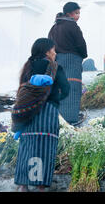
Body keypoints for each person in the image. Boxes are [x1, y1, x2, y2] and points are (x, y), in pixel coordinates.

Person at [13, 38, 69, 192]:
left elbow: (22, 91)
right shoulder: (55, 68)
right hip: (48, 113)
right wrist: (54, 99)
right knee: (45, 148)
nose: (55, 52)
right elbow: (66, 89)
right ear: (46, 51)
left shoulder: (28, 67)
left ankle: (23, 186)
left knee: (27, 147)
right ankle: (40, 187)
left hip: (28, 113)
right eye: (53, 49)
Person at [48, 2, 87, 126]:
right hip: (72, 61)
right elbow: (81, 44)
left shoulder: (54, 28)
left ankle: (59, 119)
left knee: (60, 88)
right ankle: (71, 119)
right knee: (72, 89)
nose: (78, 16)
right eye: (76, 13)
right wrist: (83, 55)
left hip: (58, 61)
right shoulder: (72, 25)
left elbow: (49, 45)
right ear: (69, 13)